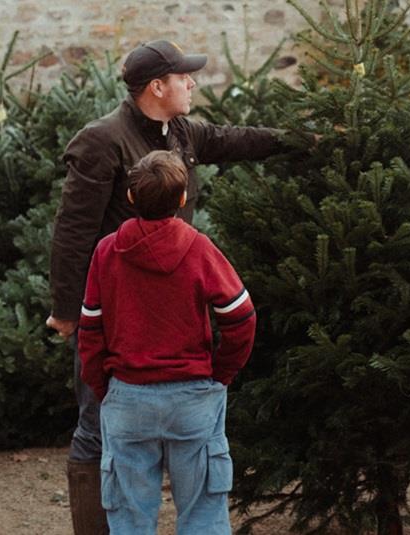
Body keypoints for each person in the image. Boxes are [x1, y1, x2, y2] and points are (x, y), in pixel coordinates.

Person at [46, 40, 289, 534]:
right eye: (184, 77)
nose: (192, 83)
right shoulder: (102, 141)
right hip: (117, 318)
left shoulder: (178, 131)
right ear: (157, 87)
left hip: (177, 316)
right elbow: (72, 232)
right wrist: (68, 311)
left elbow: (233, 139)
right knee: (95, 432)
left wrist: (301, 140)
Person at [78, 150, 256, 534]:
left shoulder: (107, 251)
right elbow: (241, 317)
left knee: (128, 520)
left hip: (127, 399)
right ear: (182, 198)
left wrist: (102, 386)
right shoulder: (199, 248)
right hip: (192, 398)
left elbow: (90, 330)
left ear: (129, 198)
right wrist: (221, 373)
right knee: (204, 517)